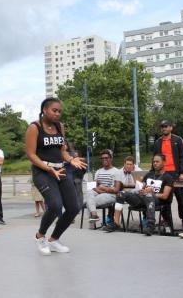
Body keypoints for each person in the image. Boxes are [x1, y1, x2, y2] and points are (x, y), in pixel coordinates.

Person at [25, 97, 87, 255]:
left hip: (61, 170)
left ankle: (54, 239)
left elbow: (62, 151)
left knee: (74, 207)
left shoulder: (60, 127)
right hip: (42, 172)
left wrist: (71, 159)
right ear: (45, 110)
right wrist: (48, 168)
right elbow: (31, 154)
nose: (57, 114)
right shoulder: (34, 127)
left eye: (59, 111)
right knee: (55, 205)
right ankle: (40, 236)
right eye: (54, 110)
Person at [107, 154, 173, 236]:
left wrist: (152, 193)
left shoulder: (168, 177)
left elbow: (165, 196)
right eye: (154, 162)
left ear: (164, 162)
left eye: (157, 162)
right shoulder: (149, 174)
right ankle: (116, 223)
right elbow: (141, 187)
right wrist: (140, 191)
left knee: (149, 195)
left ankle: (150, 225)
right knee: (121, 194)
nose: (155, 163)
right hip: (142, 199)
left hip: (157, 201)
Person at [153, 120, 183, 229]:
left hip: (176, 173)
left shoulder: (177, 140)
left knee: (180, 198)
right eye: (162, 126)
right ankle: (167, 221)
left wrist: (181, 172)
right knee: (165, 198)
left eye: (166, 126)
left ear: (171, 128)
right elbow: (154, 158)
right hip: (163, 174)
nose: (164, 128)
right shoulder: (158, 142)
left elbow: (182, 157)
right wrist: (153, 172)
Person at [104, 155, 140, 232]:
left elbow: (140, 187)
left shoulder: (138, 171)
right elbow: (114, 186)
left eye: (131, 164)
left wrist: (127, 187)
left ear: (133, 165)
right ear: (124, 164)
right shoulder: (118, 172)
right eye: (127, 164)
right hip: (121, 193)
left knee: (142, 196)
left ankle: (145, 218)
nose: (129, 166)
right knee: (115, 196)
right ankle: (112, 219)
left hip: (134, 194)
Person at [85, 149, 122, 223]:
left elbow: (116, 190)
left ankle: (92, 224)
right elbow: (93, 186)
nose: (104, 159)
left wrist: (104, 189)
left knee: (89, 202)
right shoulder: (98, 171)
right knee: (89, 192)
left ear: (111, 159)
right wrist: (99, 190)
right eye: (102, 158)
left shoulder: (116, 171)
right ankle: (94, 215)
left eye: (106, 158)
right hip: (99, 192)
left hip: (111, 195)